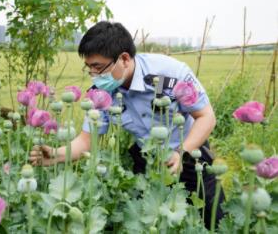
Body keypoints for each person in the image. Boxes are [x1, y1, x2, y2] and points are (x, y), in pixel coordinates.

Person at [30, 21, 224, 229]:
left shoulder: (169, 74)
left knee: (213, 221)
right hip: (146, 161)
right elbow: (85, 141)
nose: (94, 75)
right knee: (147, 224)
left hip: (189, 154)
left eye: (98, 67)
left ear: (123, 58)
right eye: (89, 68)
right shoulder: (101, 93)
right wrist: (56, 155)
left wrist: (181, 151)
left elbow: (206, 117)